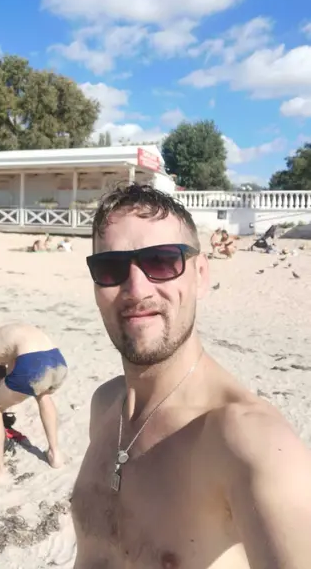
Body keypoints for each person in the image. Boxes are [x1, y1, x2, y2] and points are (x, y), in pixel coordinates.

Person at [72, 183, 311, 568]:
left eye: (161, 262)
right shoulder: (105, 406)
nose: (136, 289)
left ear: (200, 275)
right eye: (111, 268)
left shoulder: (249, 443)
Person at [0, 320, 67, 486]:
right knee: (42, 394)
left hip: (31, 364)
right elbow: (16, 367)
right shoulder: (6, 332)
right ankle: (55, 454)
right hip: (58, 361)